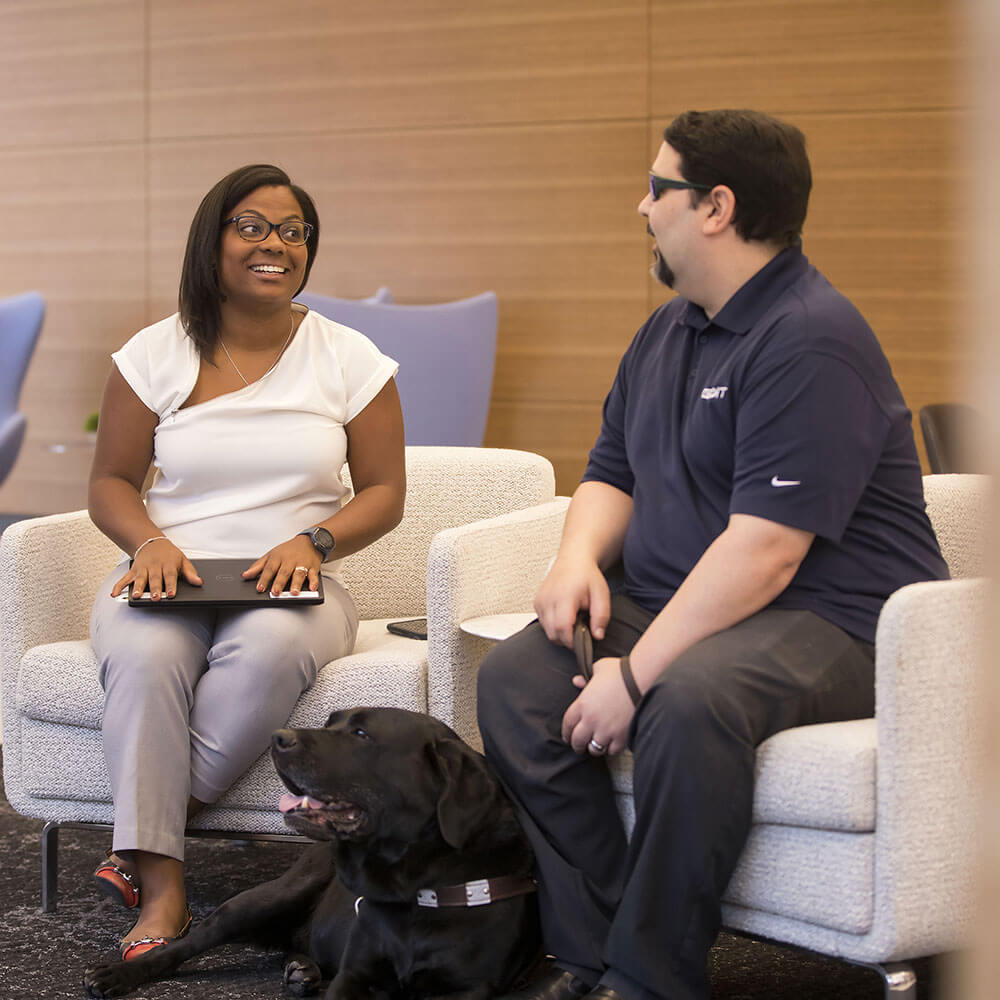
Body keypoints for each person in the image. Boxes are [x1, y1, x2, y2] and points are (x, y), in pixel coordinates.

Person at [477, 110, 949, 1000]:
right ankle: (598, 947)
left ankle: (651, 979)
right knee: (515, 685)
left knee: (688, 700)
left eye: (658, 188)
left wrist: (633, 673)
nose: (640, 206)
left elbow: (767, 553)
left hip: (834, 619)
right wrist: (577, 558)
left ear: (715, 207)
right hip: (687, 598)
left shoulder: (811, 336)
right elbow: (611, 469)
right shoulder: (669, 330)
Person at [87, 164, 405, 960]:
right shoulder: (153, 354)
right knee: (143, 654)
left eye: (294, 231)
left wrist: (316, 542)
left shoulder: (348, 357)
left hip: (296, 579)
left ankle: (142, 841)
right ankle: (164, 891)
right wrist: (148, 544)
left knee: (267, 653)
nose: (277, 245)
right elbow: (111, 482)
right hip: (169, 569)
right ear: (214, 240)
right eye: (253, 226)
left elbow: (386, 490)